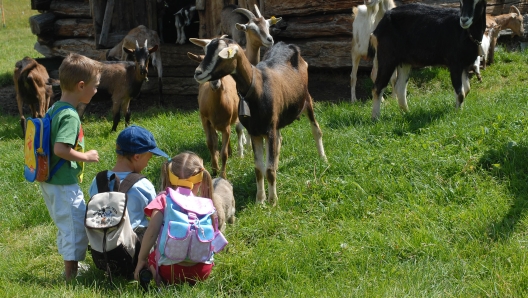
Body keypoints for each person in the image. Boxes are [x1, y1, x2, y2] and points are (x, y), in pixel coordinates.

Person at [39, 53, 101, 281]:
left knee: (68, 224)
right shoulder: (70, 116)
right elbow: (60, 149)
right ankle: (70, 275)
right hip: (63, 182)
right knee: (74, 227)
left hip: (51, 180)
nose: (96, 91)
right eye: (95, 86)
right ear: (81, 86)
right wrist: (86, 156)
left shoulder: (56, 107)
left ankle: (72, 265)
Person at [134, 151, 217, 285]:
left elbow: (151, 233)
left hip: (170, 272)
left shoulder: (164, 200)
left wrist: (141, 260)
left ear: (170, 176)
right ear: (199, 181)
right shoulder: (206, 205)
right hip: (202, 272)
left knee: (151, 257)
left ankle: (160, 281)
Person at [88, 125, 169, 240]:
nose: (147, 164)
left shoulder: (97, 181)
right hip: (134, 248)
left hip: (102, 247)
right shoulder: (143, 185)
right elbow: (158, 217)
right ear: (137, 156)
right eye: (148, 158)